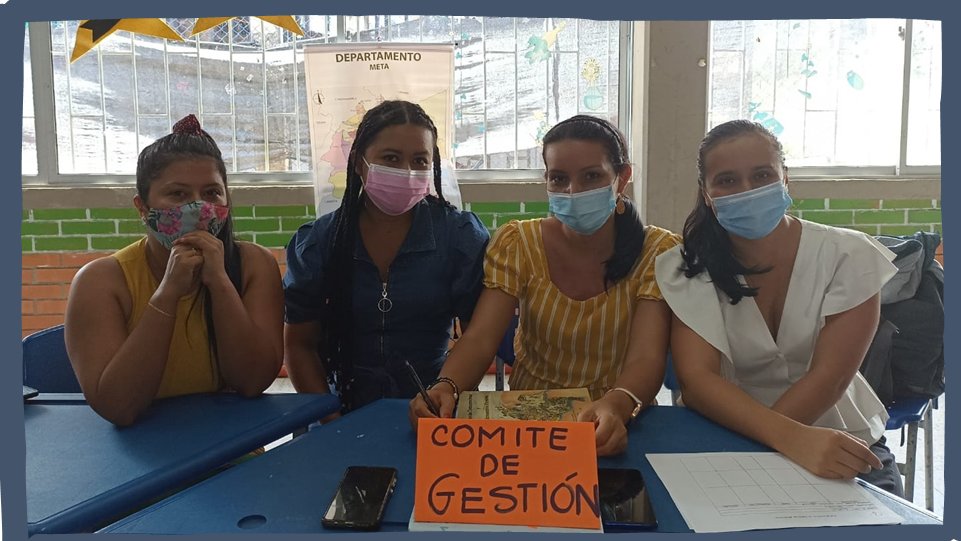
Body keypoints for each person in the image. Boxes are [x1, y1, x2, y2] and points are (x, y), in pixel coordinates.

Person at [654, 119, 903, 495]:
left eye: (762, 175)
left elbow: (829, 378)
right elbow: (698, 381)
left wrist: (777, 448)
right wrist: (782, 442)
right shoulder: (685, 267)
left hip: (838, 439)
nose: (747, 190)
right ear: (706, 193)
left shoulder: (849, 255)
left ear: (785, 178)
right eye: (727, 180)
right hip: (725, 442)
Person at [409, 115, 680, 456]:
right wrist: (446, 386)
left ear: (622, 177)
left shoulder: (657, 251)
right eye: (559, 178)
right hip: (529, 423)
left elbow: (646, 357)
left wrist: (616, 405)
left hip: (622, 420)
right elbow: (479, 339)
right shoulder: (518, 243)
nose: (573, 191)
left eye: (592, 176)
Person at [65, 114, 284, 426]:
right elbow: (118, 407)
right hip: (140, 448)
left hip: (231, 441)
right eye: (178, 194)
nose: (197, 208)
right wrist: (168, 293)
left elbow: (252, 381)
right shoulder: (101, 281)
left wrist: (219, 282)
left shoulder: (253, 264)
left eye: (211, 193)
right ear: (143, 208)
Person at [283, 100, 489, 413]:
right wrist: (330, 420)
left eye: (420, 160)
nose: (407, 172)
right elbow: (300, 345)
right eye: (391, 158)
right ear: (358, 162)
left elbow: (478, 337)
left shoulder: (460, 236)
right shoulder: (319, 241)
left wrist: (445, 393)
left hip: (435, 408)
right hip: (337, 409)